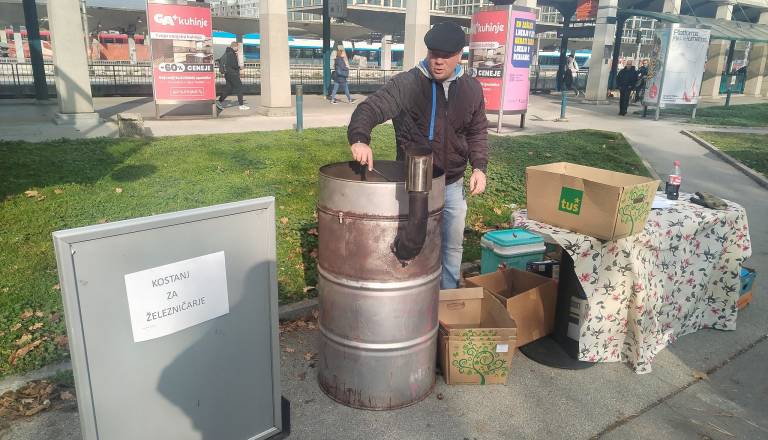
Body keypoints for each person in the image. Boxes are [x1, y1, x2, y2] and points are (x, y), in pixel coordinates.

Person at [347, 22, 489, 289]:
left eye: (445, 56)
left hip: (453, 185)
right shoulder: (407, 84)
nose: (437, 61)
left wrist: (479, 167)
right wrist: (360, 139)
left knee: (451, 247)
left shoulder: (471, 89)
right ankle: (413, 301)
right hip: (415, 187)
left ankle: (447, 299)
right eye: (433, 53)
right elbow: (371, 108)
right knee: (414, 243)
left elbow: (477, 130)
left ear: (460, 55)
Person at [216, 42, 249, 111]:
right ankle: (241, 105)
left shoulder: (227, 52)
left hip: (227, 74)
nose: (238, 49)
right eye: (237, 47)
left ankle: (219, 101)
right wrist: (240, 67)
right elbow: (233, 65)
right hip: (232, 74)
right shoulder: (231, 54)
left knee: (228, 88)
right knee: (239, 87)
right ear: (234, 46)